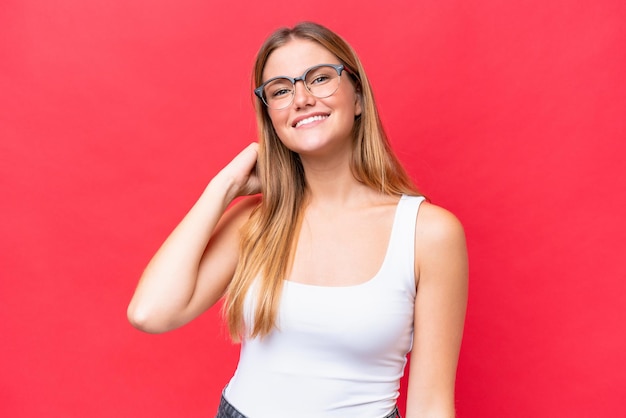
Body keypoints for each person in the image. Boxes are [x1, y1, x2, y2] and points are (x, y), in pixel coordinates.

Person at [127, 21, 468, 418]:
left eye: (320, 78)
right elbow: (149, 313)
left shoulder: (428, 233)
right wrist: (223, 187)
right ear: (271, 117)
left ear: (358, 97)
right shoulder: (255, 222)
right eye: (281, 90)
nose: (301, 99)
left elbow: (431, 405)